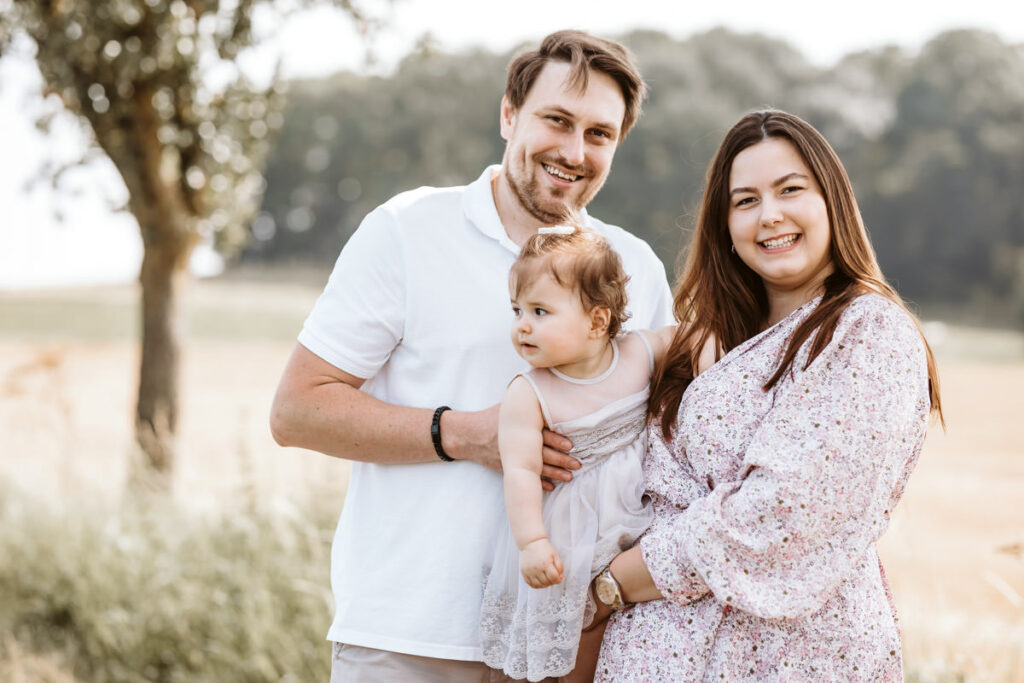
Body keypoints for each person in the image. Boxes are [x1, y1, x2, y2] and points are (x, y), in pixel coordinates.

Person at [269, 30, 673, 681]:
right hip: (407, 637)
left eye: (599, 134)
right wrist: (466, 433)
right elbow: (297, 410)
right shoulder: (407, 230)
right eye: (557, 120)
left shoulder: (638, 271)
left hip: (565, 649)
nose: (574, 151)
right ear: (510, 115)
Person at [584, 110, 944, 681]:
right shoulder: (705, 338)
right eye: (745, 200)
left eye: (790, 190)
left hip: (785, 660)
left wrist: (613, 584)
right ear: (724, 224)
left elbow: (781, 514)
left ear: (832, 200)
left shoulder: (864, 331)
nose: (769, 215)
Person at [480, 225, 673, 682]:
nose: (522, 325)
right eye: (518, 310)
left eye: (540, 311)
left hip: (640, 524)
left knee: (630, 641)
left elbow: (701, 336)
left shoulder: (639, 353)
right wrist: (532, 543)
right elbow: (522, 471)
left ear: (598, 322)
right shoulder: (530, 393)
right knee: (572, 644)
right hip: (569, 540)